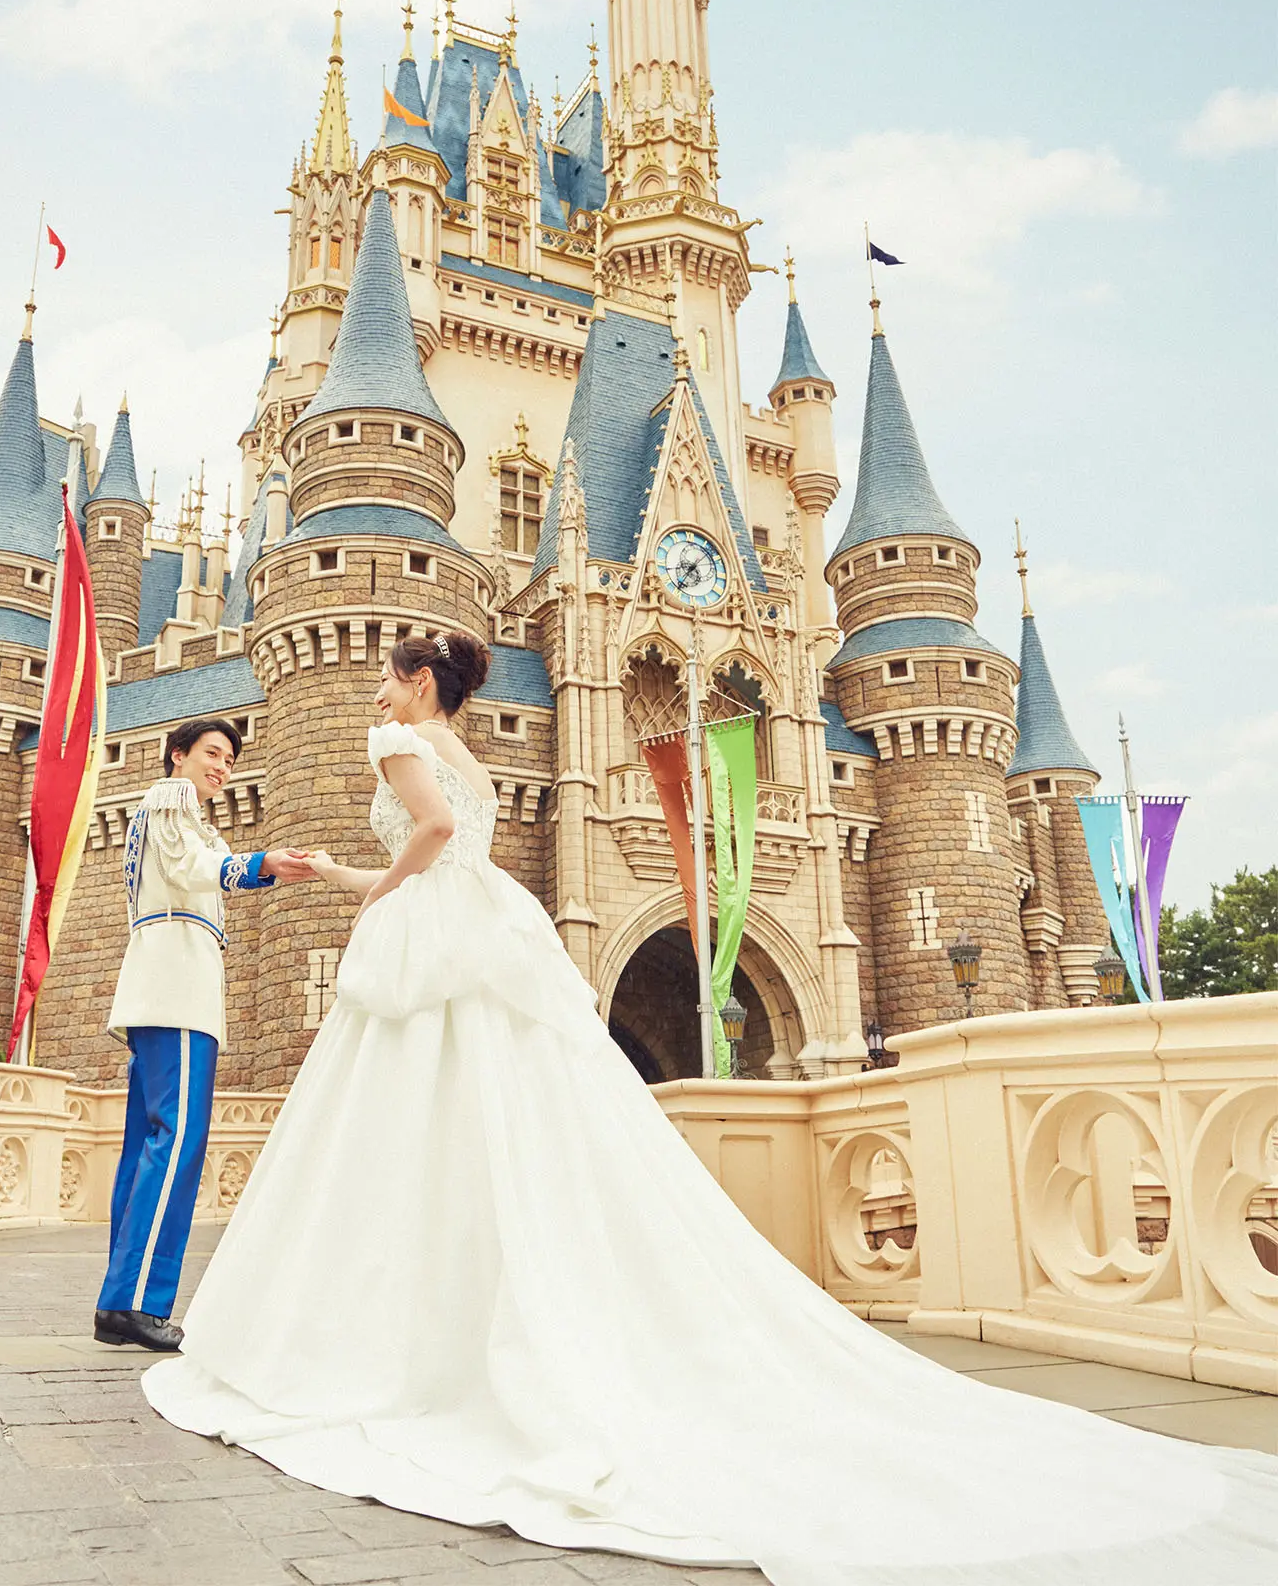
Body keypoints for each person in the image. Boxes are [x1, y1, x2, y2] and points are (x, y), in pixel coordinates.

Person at [143, 638, 1278, 1582]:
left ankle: (392, 1331)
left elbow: (430, 836)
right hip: (483, 925)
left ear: (420, 683)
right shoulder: (474, 753)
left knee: (408, 1129)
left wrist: (381, 891)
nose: (378, 694)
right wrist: (346, 877)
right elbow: (455, 839)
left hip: (432, 930)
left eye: (389, 678)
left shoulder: (397, 743)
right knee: (501, 1117)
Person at [94, 716, 312, 1352]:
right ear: (177, 755)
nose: (221, 768)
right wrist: (260, 863)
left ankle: (118, 1299)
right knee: (177, 1143)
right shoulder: (170, 799)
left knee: (146, 1148)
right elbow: (190, 867)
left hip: (159, 990)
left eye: (229, 760)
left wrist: (255, 867)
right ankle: (137, 1301)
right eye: (212, 753)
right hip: (178, 992)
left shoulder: (183, 815)